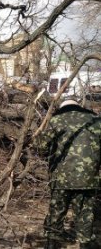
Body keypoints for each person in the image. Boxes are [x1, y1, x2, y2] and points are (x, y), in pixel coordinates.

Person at [35, 99, 101, 249]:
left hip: (60, 178)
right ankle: (85, 244)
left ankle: (52, 244)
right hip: (88, 178)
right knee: (85, 214)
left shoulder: (56, 120)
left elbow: (40, 148)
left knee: (56, 212)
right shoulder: (96, 120)